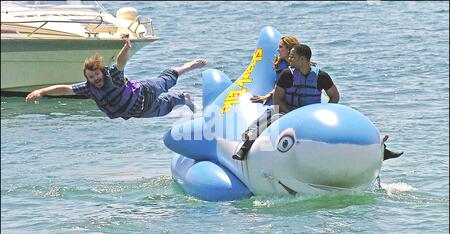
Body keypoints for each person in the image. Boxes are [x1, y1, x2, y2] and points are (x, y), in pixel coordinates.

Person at [233, 44, 403, 161]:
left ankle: (381, 150)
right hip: (286, 111)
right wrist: (291, 115)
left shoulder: (321, 76)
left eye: (293, 56)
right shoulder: (286, 74)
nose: (289, 59)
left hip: (312, 114)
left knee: (346, 122)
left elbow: (334, 96)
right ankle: (244, 148)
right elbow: (277, 99)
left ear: (302, 59)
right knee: (269, 118)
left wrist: (325, 111)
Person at [26, 37, 207, 120]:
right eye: (91, 77)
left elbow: (121, 63)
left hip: (146, 90)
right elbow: (65, 89)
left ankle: (189, 66)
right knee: (166, 107)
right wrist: (41, 91)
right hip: (139, 111)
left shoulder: (112, 75)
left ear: (101, 71)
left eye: (96, 74)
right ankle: (184, 98)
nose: (95, 78)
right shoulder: (89, 88)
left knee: (166, 80)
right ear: (87, 78)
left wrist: (126, 48)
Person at [249, 35, 300, 105]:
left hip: (296, 102)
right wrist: (267, 96)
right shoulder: (280, 64)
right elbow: (279, 85)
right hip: (281, 101)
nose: (277, 49)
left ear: (289, 49)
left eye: (280, 47)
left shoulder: (301, 66)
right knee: (270, 115)